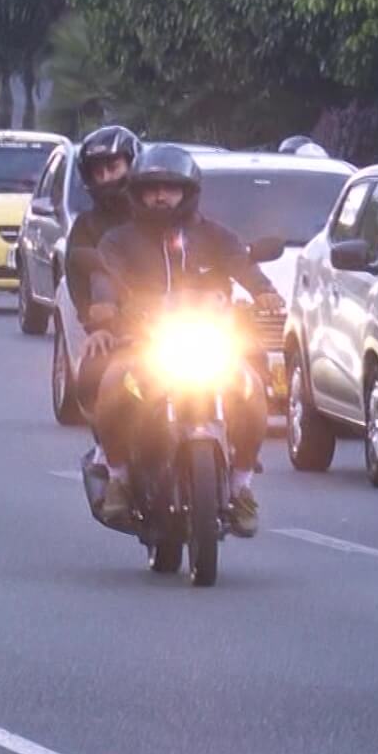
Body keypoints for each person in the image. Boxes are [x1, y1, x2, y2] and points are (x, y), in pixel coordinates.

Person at [81, 144, 282, 537]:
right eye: (151, 188)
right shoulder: (119, 240)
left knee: (253, 387)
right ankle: (119, 475)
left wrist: (265, 292)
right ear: (137, 192)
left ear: (187, 192)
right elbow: (104, 275)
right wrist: (104, 306)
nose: (160, 196)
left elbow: (245, 265)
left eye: (170, 188)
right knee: (112, 383)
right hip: (143, 343)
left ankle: (242, 485)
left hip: (212, 340)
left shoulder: (216, 237)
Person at [61, 125, 140, 529]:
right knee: (94, 378)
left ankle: (239, 476)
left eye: (114, 166)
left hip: (173, 328)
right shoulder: (88, 229)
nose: (108, 177)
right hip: (117, 333)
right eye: (99, 171)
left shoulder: (166, 218)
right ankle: (112, 464)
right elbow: (79, 278)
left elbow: (203, 265)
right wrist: (98, 321)